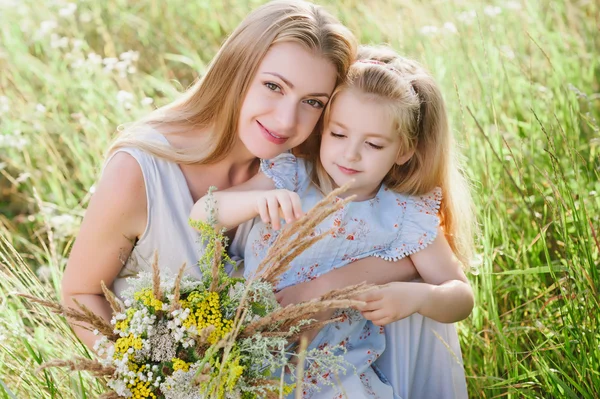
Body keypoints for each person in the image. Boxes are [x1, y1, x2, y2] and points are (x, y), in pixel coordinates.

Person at [60, 0, 359, 351]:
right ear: (236, 69)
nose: (286, 121)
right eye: (274, 86)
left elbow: (403, 236)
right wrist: (145, 375)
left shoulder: (309, 164)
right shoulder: (140, 170)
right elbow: (80, 294)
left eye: (313, 102)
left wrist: (320, 291)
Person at [190, 45, 475, 398]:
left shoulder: (404, 217)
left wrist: (417, 297)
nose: (351, 154)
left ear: (403, 151)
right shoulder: (291, 177)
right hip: (246, 355)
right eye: (339, 135)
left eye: (373, 144)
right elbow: (202, 212)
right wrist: (255, 200)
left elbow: (461, 295)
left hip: (334, 377)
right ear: (322, 130)